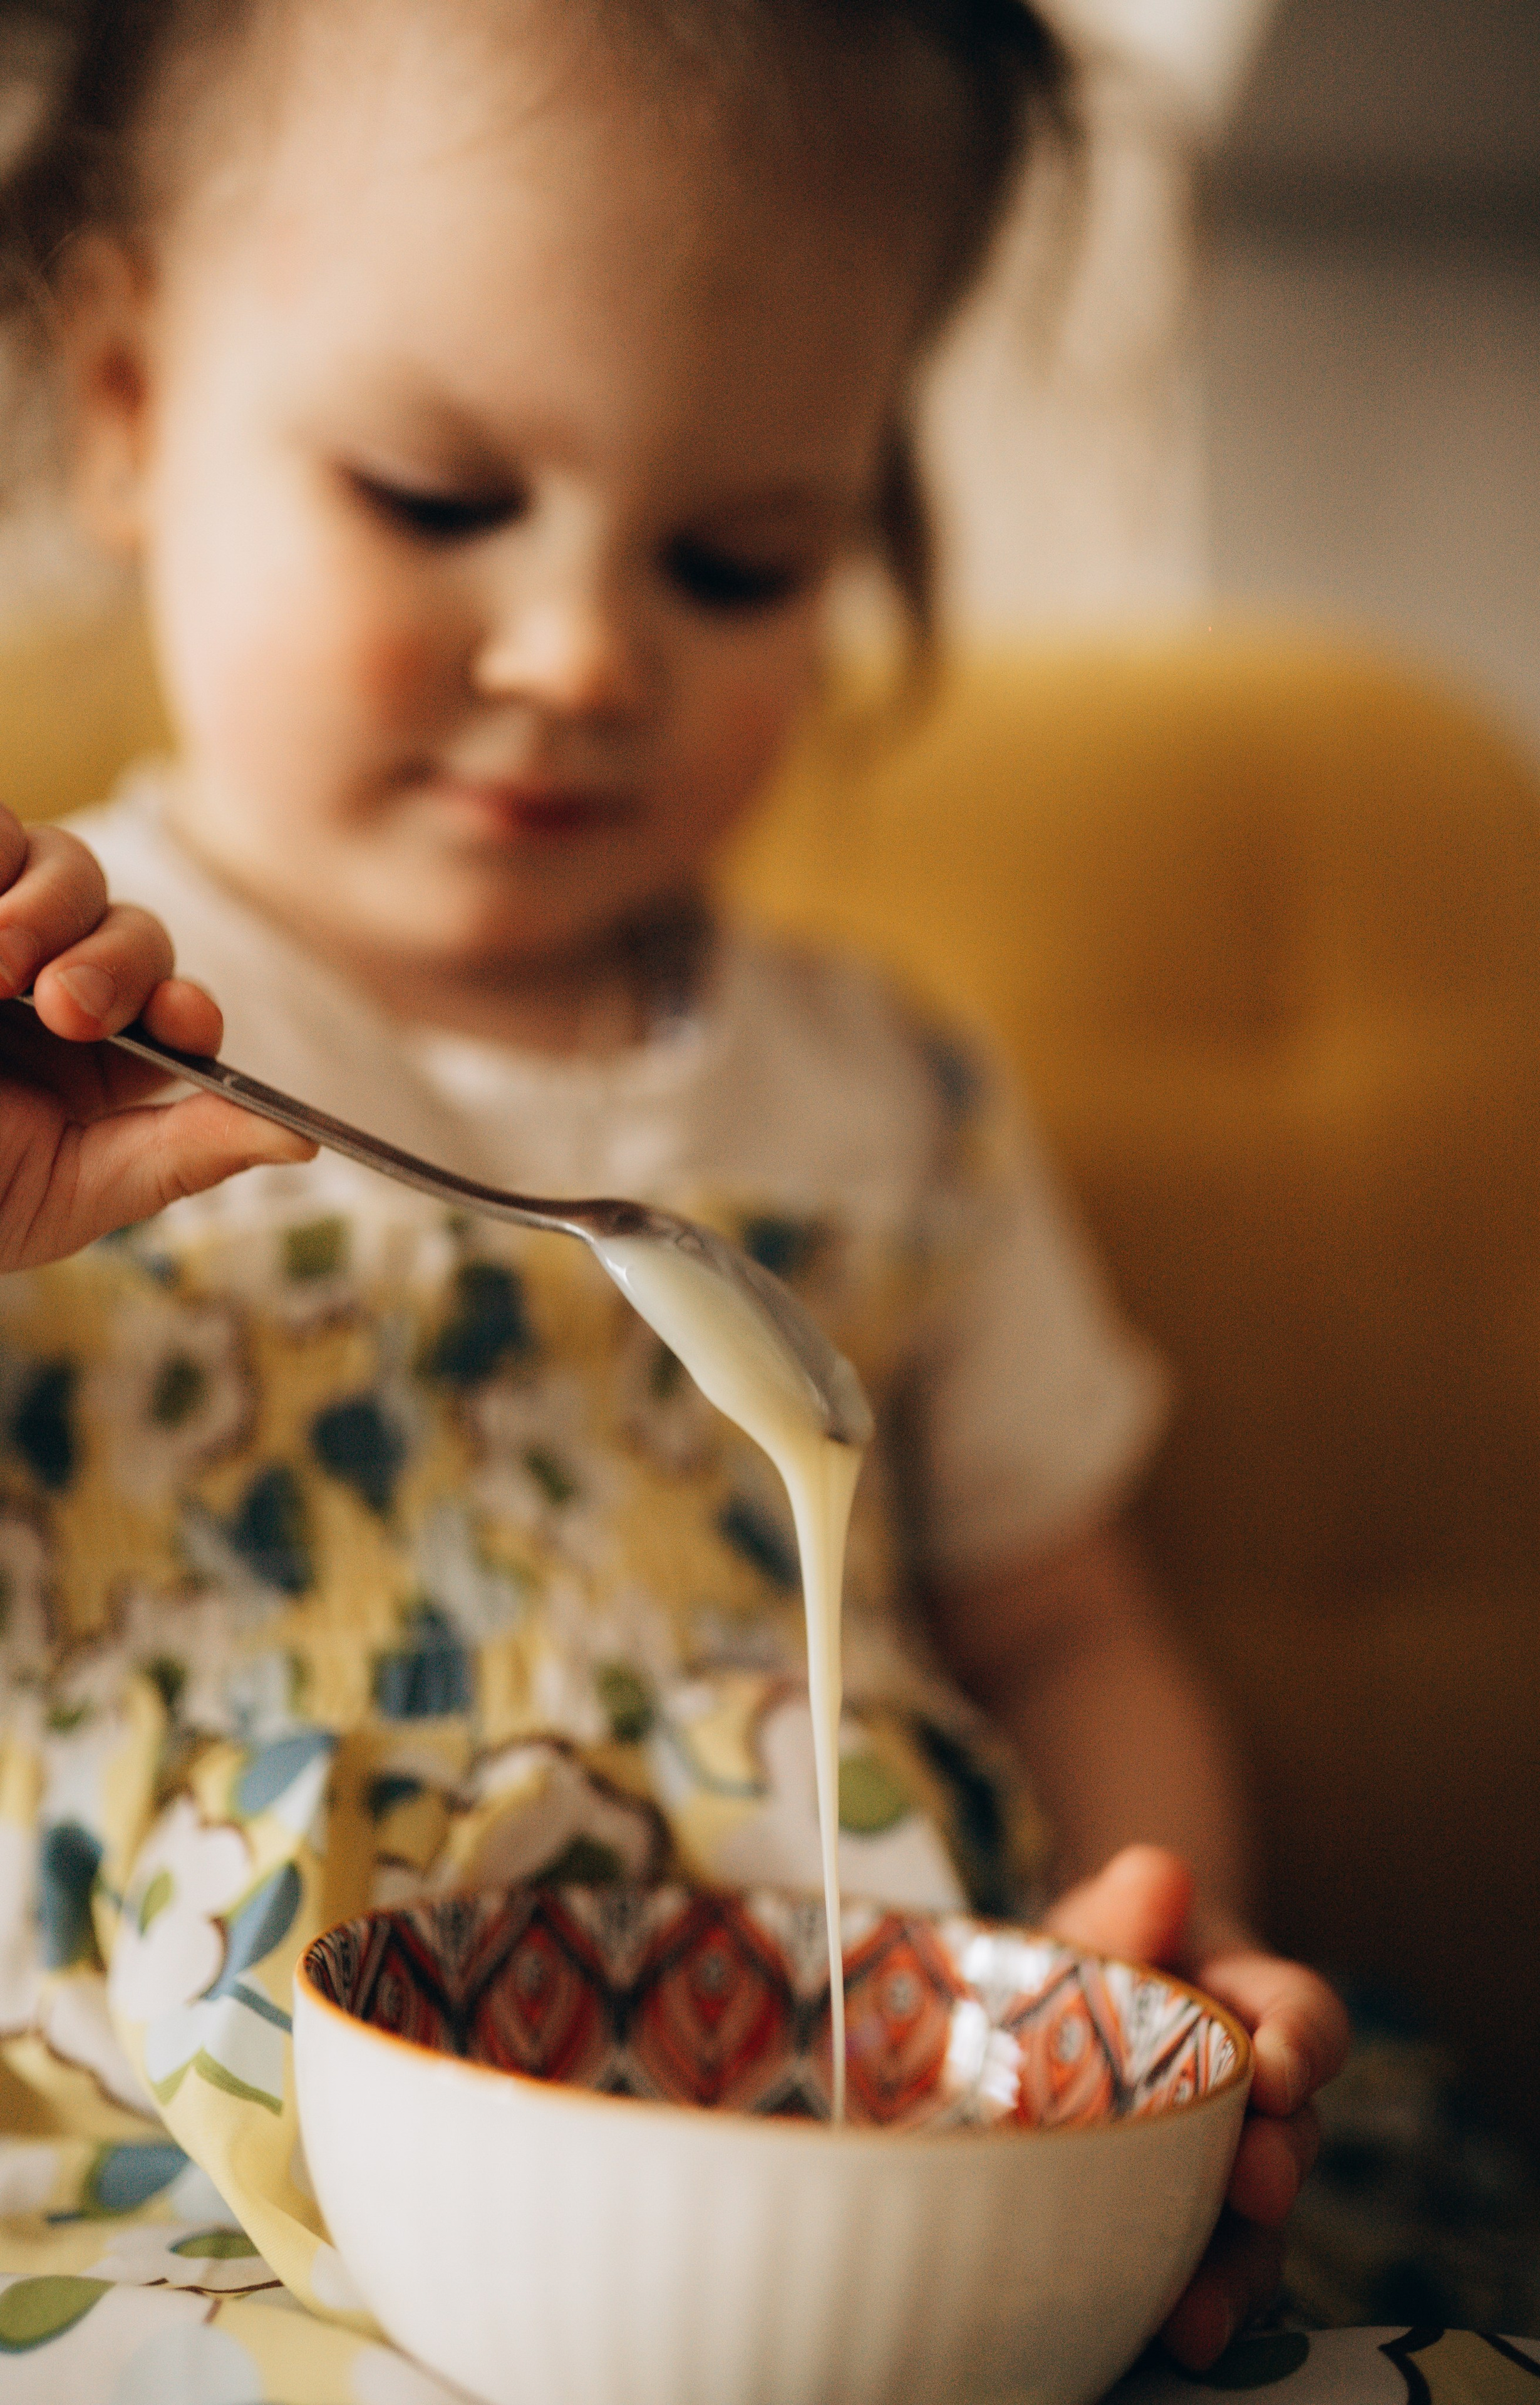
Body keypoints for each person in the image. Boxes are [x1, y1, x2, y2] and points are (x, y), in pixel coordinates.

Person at [0, 1, 1346, 2394]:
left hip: (866, 2192)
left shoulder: (891, 1101)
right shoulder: (47, 1038)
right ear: (123, 403)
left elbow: (1067, 1621)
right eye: (432, 497)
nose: (577, 653)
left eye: (736, 562)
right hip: (167, 2165)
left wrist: (1148, 1970)